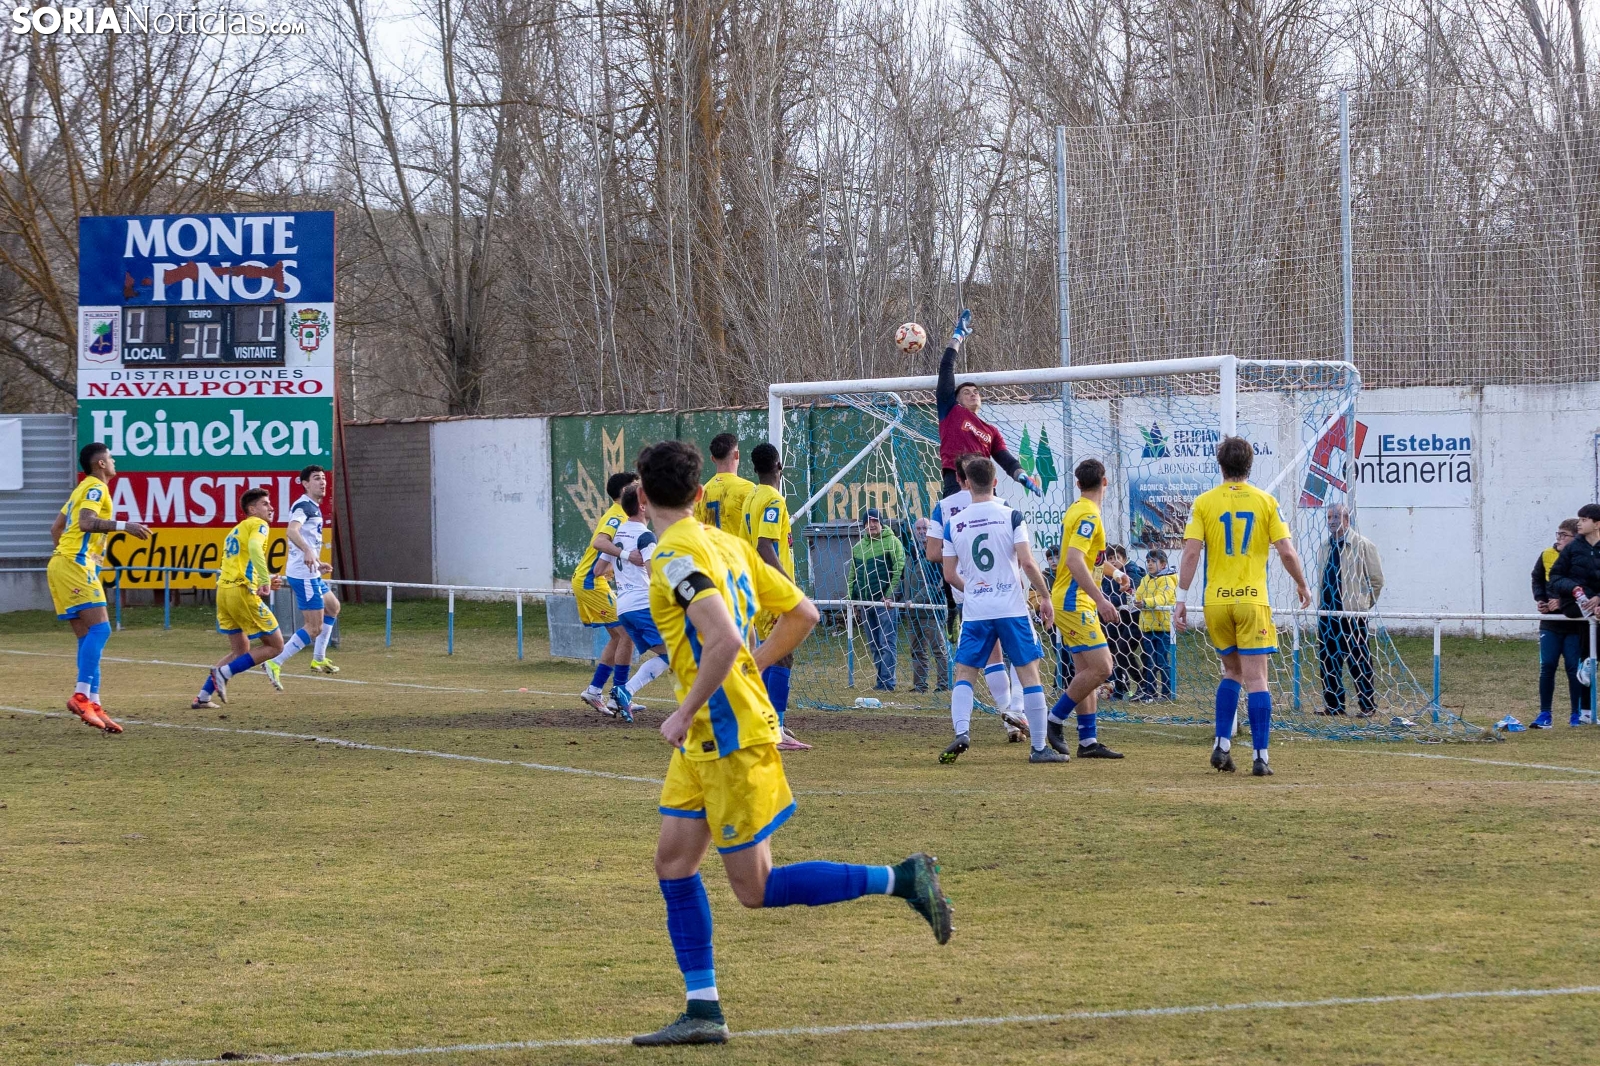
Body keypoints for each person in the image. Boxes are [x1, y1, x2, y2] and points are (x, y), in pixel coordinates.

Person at [631, 439, 951, 1047]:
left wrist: (686, 708)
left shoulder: (672, 557)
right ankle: (703, 1010)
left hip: (727, 735)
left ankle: (903, 878)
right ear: (699, 494)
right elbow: (803, 612)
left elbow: (723, 639)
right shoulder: (730, 545)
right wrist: (749, 666)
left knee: (756, 889)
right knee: (672, 862)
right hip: (708, 738)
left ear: (642, 495)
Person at [1176, 436, 1312, 777]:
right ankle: (1261, 756)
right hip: (1252, 600)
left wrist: (1180, 598)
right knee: (1257, 678)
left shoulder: (1203, 503)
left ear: (1220, 465)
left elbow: (1191, 553)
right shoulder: (1266, 501)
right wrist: (1301, 583)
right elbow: (1286, 551)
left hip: (1216, 601)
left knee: (1231, 672)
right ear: (1250, 465)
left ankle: (1222, 744)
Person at [936, 457, 1060, 764]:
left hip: (977, 610)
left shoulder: (954, 524)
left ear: (966, 483)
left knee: (965, 673)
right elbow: (1027, 563)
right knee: (1029, 673)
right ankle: (1039, 747)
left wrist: (975, 590)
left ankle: (962, 732)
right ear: (995, 482)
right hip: (1010, 606)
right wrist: (1045, 596)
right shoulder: (1011, 515)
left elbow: (949, 574)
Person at [47, 442, 150, 733]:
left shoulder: (80, 489)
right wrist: (125, 526)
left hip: (64, 564)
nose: (115, 461)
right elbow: (86, 522)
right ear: (100, 463)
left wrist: (69, 556)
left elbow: (56, 529)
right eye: (111, 457)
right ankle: (81, 697)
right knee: (101, 630)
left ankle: (93, 702)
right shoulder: (95, 487)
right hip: (74, 565)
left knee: (88, 636)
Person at [927, 454, 1028, 739]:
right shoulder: (1003, 506)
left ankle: (1007, 719)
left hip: (968, 592)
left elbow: (932, 553)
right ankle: (1016, 712)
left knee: (987, 659)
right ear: (992, 480)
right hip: (1004, 590)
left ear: (960, 479)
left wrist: (961, 558)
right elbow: (1015, 552)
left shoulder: (944, 508)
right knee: (1021, 654)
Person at [1044, 459, 1125, 759]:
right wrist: (1102, 600)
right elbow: (1075, 560)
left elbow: (1091, 559)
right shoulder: (1089, 514)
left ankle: (1088, 742)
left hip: (1074, 599)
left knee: (1086, 672)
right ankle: (1054, 719)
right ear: (1105, 481)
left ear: (1078, 484)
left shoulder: (1078, 509)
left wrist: (1116, 574)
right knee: (1103, 668)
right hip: (1074, 601)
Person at [740, 442, 809, 750]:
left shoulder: (751, 497)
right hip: (771, 587)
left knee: (770, 653)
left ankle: (765, 722)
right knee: (782, 653)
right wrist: (787, 585)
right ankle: (774, 729)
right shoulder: (772, 499)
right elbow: (764, 545)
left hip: (755, 584)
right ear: (779, 467)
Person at [934, 309, 1041, 500]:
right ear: (957, 399)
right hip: (957, 483)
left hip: (985, 486)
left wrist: (1022, 476)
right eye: (966, 392)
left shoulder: (991, 431)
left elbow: (1007, 461)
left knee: (1005, 517)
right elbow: (946, 367)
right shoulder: (950, 410)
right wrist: (958, 336)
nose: (973, 394)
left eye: (976, 392)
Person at [194, 489, 287, 706]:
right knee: (276, 646)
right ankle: (224, 673)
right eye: (265, 504)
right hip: (240, 591)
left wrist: (264, 579)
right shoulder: (259, 524)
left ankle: (203, 696)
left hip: (224, 592)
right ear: (252, 510)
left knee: (240, 650)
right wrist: (263, 579)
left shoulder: (235, 531)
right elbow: (254, 547)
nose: (271, 507)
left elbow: (239, 564)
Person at [597, 484, 672, 724]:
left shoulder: (617, 534)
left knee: (671, 653)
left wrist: (624, 568)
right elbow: (653, 574)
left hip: (624, 608)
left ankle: (622, 692)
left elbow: (599, 569)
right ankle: (625, 691)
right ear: (642, 506)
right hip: (643, 605)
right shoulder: (645, 536)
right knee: (675, 654)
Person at [265, 465, 342, 685]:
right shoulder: (303, 505)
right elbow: (291, 530)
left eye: (323, 478)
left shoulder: (313, 507)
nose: (322, 482)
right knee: (314, 627)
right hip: (303, 575)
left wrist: (317, 562)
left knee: (333, 607)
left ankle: (318, 659)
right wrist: (308, 551)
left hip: (312, 572)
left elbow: (307, 539)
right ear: (305, 483)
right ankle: (274, 662)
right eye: (316, 478)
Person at [571, 471, 640, 714]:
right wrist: (627, 555)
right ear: (624, 491)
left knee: (620, 637)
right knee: (627, 634)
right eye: (635, 485)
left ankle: (596, 691)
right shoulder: (616, 515)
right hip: (591, 581)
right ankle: (619, 695)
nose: (640, 489)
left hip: (595, 580)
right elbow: (599, 543)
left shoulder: (624, 515)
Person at [1316, 503, 1384, 717]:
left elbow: (1376, 581)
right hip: (1327, 614)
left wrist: (1362, 605)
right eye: (1329, 518)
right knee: (1328, 660)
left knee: (1359, 660)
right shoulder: (1324, 547)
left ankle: (1367, 705)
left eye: (1336, 517)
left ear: (1346, 520)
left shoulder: (1363, 545)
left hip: (1352, 615)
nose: (1331, 522)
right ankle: (1334, 705)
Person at [1545, 504, 1600, 726]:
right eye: (1579, 519)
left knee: (1589, 653)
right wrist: (1575, 589)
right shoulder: (1573, 548)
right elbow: (1555, 577)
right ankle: (1587, 665)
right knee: (1587, 644)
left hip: (1597, 604)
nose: (1579, 523)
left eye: (1584, 519)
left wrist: (1599, 598)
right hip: (1573, 604)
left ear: (1597, 524)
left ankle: (1586, 711)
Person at [1532, 518, 1586, 729]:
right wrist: (1541, 600)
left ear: (1576, 538)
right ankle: (1545, 713)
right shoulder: (1547, 555)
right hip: (1551, 624)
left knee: (1573, 668)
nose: (1559, 539)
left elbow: (1585, 588)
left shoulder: (1582, 558)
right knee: (1547, 666)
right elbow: (1537, 579)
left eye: (1565, 535)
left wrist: (1563, 603)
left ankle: (1576, 714)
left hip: (1574, 624)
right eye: (1558, 534)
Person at [848, 508, 905, 691]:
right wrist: (853, 600)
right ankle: (881, 681)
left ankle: (888, 682)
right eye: (868, 522)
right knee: (874, 644)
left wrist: (889, 594)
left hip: (884, 603)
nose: (871, 525)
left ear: (881, 523)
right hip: (866, 604)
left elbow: (899, 568)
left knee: (887, 642)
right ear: (863, 525)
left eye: (875, 521)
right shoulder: (858, 548)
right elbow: (853, 576)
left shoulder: (892, 542)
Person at [907, 519, 952, 695]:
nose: (921, 531)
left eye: (924, 528)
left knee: (938, 649)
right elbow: (905, 580)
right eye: (918, 528)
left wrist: (915, 601)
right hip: (913, 612)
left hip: (932, 612)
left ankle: (943, 685)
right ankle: (920, 685)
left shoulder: (936, 554)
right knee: (916, 649)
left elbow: (934, 585)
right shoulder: (912, 553)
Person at [1135, 548, 1178, 701]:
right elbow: (1138, 595)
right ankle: (1150, 692)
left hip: (1163, 628)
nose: (1150, 564)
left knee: (1162, 661)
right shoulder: (1145, 579)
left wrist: (1146, 603)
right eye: (1148, 561)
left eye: (1153, 561)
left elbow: (1163, 598)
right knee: (1149, 662)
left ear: (1163, 564)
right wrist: (1134, 598)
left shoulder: (1167, 580)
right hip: (1147, 627)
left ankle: (1167, 693)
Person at [1103, 545, 1142, 700]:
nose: (1113, 562)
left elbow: (1126, 596)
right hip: (1118, 619)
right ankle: (1120, 688)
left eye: (1116, 558)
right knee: (1110, 649)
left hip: (1136, 620)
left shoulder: (1132, 573)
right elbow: (1105, 593)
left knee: (1122, 651)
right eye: (1110, 559)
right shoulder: (1108, 575)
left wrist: (1106, 600)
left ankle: (1143, 684)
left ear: (1124, 559)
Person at [694, 432, 754, 533]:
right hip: (737, 544)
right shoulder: (748, 489)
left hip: (710, 543)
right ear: (737, 454)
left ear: (712, 459)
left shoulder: (701, 493)